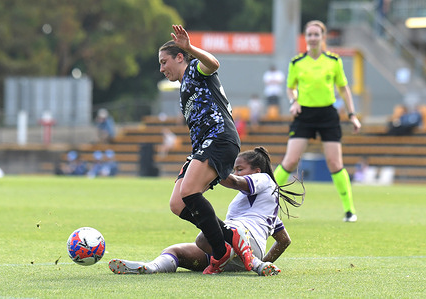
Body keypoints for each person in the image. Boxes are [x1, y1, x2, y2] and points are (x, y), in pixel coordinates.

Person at [109, 147, 304, 276]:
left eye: (239, 168)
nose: (235, 173)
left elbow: (236, 182)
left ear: (257, 170)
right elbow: (284, 240)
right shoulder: (266, 208)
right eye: (234, 169)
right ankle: (151, 268)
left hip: (243, 236)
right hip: (238, 252)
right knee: (175, 251)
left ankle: (250, 260)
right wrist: (263, 260)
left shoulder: (264, 180)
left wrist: (211, 169)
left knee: (205, 236)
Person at [158, 25, 251, 274]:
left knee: (189, 191)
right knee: (178, 203)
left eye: (164, 61)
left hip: (220, 138)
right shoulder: (183, 87)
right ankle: (231, 236)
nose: (162, 68)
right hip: (204, 145)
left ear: (180, 57)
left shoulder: (195, 71)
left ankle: (220, 253)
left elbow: (214, 63)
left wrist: (190, 48)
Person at [273, 20, 361, 223]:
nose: (313, 38)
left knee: (334, 162)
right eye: (309, 34)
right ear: (305, 37)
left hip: (328, 115)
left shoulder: (333, 61)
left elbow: (343, 88)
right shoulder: (296, 62)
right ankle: (265, 202)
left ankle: (349, 210)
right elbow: (290, 87)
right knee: (290, 160)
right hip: (304, 115)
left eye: (316, 34)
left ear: (323, 37)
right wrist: (293, 101)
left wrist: (352, 115)